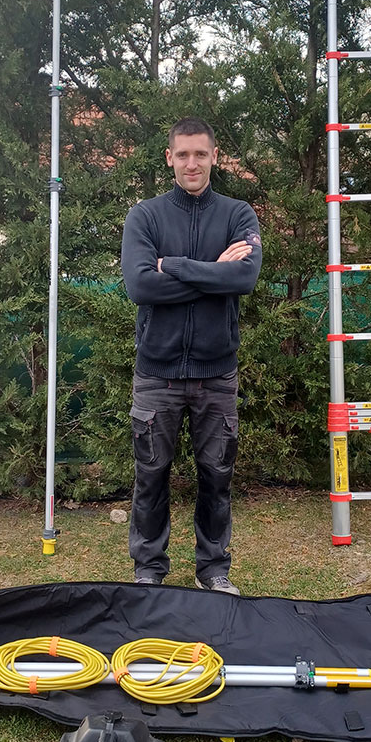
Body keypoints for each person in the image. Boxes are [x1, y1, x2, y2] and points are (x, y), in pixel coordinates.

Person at [120, 117, 262, 594]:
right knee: (151, 475)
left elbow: (242, 279)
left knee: (216, 477)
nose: (192, 163)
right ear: (169, 159)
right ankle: (149, 570)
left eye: (200, 154)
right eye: (182, 155)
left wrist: (175, 268)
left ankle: (214, 570)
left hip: (216, 373)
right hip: (156, 374)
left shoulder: (239, 214)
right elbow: (140, 285)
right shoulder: (145, 217)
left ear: (215, 156)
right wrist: (210, 274)